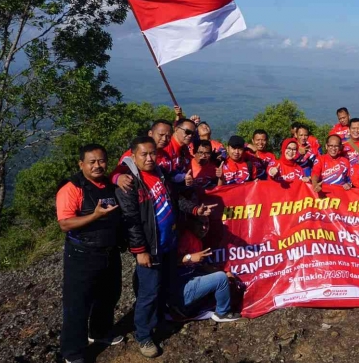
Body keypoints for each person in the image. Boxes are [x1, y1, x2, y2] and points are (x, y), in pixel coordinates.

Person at [115, 136, 214, 358]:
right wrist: (140, 251)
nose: (150, 158)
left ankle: (159, 321)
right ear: (133, 156)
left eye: (153, 154)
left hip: (169, 243)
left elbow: (175, 200)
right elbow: (131, 220)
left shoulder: (159, 174)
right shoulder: (130, 183)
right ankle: (143, 336)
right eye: (144, 154)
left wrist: (196, 210)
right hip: (151, 248)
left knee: (164, 286)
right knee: (148, 293)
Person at [56, 144, 123, 363]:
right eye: (92, 162)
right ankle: (72, 352)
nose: (97, 165)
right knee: (78, 303)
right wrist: (94, 216)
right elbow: (65, 224)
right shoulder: (72, 188)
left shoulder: (108, 184)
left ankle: (100, 332)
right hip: (82, 254)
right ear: (81, 164)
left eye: (101, 161)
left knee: (109, 295)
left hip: (109, 252)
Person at [172, 215, 241, 322]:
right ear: (192, 223)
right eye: (201, 224)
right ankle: (222, 313)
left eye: (207, 224)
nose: (204, 228)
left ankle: (187, 309)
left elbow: (203, 266)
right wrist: (189, 257)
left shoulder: (198, 242)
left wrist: (226, 272)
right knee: (221, 279)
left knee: (223, 276)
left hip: (189, 283)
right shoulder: (184, 237)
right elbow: (170, 262)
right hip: (179, 289)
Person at [112, 120, 173, 191]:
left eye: (168, 136)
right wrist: (118, 178)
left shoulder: (165, 154)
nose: (164, 139)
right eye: (161, 135)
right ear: (150, 133)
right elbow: (114, 174)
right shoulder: (133, 154)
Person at [163, 118, 196, 182]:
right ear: (176, 129)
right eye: (187, 132)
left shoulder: (185, 148)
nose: (190, 136)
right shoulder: (166, 147)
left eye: (193, 134)